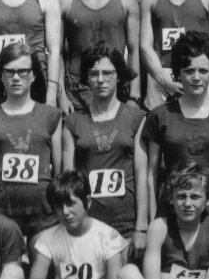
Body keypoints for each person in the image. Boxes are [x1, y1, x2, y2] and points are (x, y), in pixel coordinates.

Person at [142, 32, 209, 254]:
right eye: (189, 70)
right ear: (178, 73)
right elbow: (150, 175)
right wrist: (152, 224)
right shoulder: (160, 116)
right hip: (174, 213)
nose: (196, 77)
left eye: (203, 71)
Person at [7, 171, 129, 279]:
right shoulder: (49, 237)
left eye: (71, 204)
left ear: (87, 202)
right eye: (58, 206)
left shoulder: (108, 236)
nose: (65, 212)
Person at [62, 44, 148, 253]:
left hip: (126, 227)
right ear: (86, 78)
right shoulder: (72, 122)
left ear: (119, 76)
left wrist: (142, 228)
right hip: (87, 226)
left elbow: (142, 174)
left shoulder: (137, 118)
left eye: (107, 73)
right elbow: (68, 179)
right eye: (94, 74)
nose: (101, 80)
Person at [0, 43, 62, 250]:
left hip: (44, 214)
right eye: (9, 71)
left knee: (42, 278)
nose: (16, 77)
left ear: (33, 76)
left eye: (23, 71)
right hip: (1, 213)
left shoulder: (51, 116)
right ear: (1, 76)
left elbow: (60, 172)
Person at [59, 0, 140, 113]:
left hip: (117, 88)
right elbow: (58, 54)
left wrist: (134, 97)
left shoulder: (127, 0)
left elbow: (134, 51)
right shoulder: (65, 2)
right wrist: (61, 96)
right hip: (77, 92)